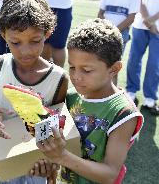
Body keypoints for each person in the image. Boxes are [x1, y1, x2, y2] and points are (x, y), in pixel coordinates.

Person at [30, 19, 144, 184]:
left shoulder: (123, 112)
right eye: (72, 67)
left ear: (114, 69)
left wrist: (61, 156)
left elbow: (110, 174)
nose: (76, 76)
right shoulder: (70, 96)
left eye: (87, 70)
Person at [0, 0, 68, 184]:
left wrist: (52, 169)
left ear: (47, 33)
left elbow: (57, 126)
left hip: (39, 163)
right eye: (15, 42)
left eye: (35, 40)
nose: (25, 51)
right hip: (8, 155)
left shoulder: (58, 78)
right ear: (3, 35)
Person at [33, 0, 91, 67]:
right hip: (38, 4)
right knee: (42, 43)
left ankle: (59, 78)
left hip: (61, 5)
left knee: (58, 47)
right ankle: (44, 77)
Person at [126, 0, 159, 115]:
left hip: (157, 29)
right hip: (141, 25)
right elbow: (139, 0)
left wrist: (152, 22)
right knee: (134, 60)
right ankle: (131, 92)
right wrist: (148, 21)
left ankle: (150, 99)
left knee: (154, 64)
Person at [98, 0, 140, 85]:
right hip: (103, 33)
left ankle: (111, 96)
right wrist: (105, 29)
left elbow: (131, 17)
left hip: (120, 35)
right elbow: (100, 13)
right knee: (100, 65)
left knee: (113, 68)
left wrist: (113, 31)